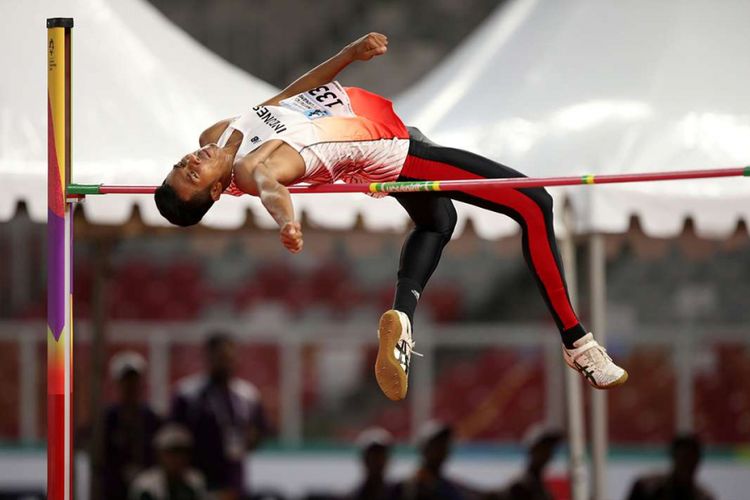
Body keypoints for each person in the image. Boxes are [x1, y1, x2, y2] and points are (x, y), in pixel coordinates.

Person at [154, 33, 627, 401]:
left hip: (380, 142)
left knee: (438, 222)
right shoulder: (254, 169)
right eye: (191, 177)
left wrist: (348, 55)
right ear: (217, 190)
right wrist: (286, 222)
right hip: (395, 151)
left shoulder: (216, 132)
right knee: (534, 202)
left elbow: (286, 97)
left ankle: (402, 318)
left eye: (181, 165)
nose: (190, 162)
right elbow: (271, 187)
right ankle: (578, 342)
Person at [171, 333, 268, 500]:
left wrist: (253, 438)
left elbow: (260, 429)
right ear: (208, 357)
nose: (226, 363)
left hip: (233, 475)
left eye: (229, 357)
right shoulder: (188, 394)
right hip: (198, 475)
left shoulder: (247, 394)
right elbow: (175, 434)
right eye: (220, 357)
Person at [103, 351, 163, 500]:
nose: (131, 385)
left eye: (134, 380)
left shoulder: (151, 418)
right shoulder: (108, 419)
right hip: (114, 490)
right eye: (126, 380)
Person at [391, 421, 478, 500]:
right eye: (437, 446)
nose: (441, 450)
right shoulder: (405, 489)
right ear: (424, 448)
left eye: (444, 445)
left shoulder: (451, 489)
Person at [129, 424, 207, 500]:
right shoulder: (145, 485)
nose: (179, 459)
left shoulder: (196, 480)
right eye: (172, 453)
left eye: (183, 453)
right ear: (159, 454)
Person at [626, 434, 715, 500]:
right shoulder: (647, 488)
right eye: (683, 459)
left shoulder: (703, 497)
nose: (686, 465)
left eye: (689, 460)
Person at [496, 425, 563, 500]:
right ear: (533, 451)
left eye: (550, 449)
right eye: (544, 449)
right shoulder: (521, 488)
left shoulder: (539, 485)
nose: (549, 455)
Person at [347, 427, 396, 500]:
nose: (377, 462)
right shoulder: (354, 495)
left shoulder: (399, 493)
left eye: (380, 456)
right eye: (372, 456)